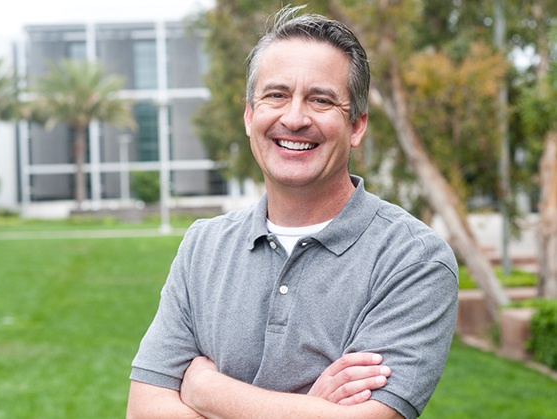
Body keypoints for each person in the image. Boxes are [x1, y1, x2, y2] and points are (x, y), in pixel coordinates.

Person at [127, 6, 458, 419]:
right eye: (276, 95)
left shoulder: (412, 259)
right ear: (250, 116)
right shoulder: (203, 246)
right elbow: (144, 410)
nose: (295, 118)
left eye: (321, 100)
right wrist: (308, 408)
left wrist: (206, 391)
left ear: (356, 126)